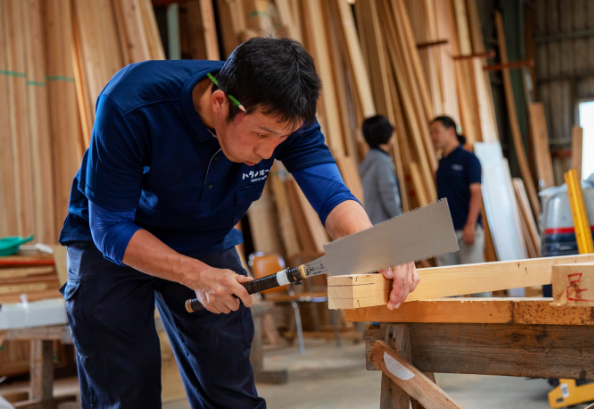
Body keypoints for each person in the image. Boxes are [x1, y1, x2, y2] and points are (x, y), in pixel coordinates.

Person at [58, 38, 419, 408]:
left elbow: (330, 195)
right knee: (122, 390)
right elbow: (110, 228)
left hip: (205, 236)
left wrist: (376, 245)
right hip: (111, 241)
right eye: (261, 135)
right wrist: (196, 275)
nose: (268, 153)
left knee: (229, 387)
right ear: (220, 104)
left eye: (282, 141)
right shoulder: (132, 103)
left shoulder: (285, 115)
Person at [429, 116, 485, 273]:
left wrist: (471, 225)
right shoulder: (441, 164)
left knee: (476, 285)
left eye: (436, 132)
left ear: (451, 131)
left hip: (465, 230)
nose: (433, 137)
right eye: (431, 133)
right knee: (448, 289)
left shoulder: (469, 159)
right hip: (445, 232)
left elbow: (476, 193)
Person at [359, 115, 402, 224]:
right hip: (384, 225)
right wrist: (401, 221)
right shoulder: (381, 161)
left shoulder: (369, 160)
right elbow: (389, 196)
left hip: (373, 222)